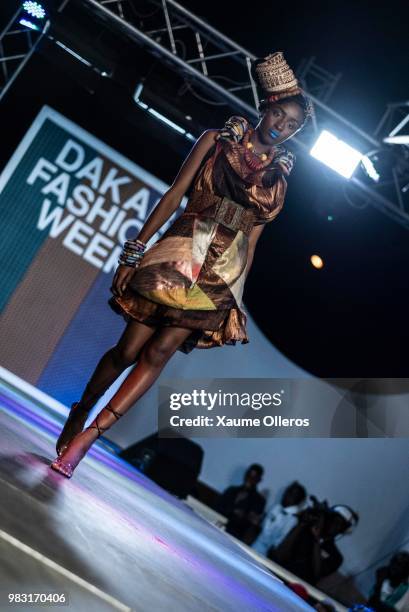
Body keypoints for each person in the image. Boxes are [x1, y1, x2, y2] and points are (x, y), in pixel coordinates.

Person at [50, 51, 314, 478]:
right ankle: (81, 410)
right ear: (266, 106)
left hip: (221, 271)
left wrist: (236, 298)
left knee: (159, 351)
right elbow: (174, 196)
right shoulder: (217, 140)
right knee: (128, 350)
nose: (283, 127)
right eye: (280, 115)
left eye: (293, 125)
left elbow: (252, 243)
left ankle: (87, 440)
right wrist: (135, 249)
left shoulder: (278, 183)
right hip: (182, 248)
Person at [270, 500, 359, 585]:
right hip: (277, 575)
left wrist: (317, 539)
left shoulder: (336, 557)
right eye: (333, 519)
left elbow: (317, 573)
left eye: (339, 524)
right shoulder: (304, 532)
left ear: (342, 530)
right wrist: (301, 525)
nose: (333, 525)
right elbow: (279, 554)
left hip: (297, 589)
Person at [252, 481, 307, 556]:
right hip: (255, 544)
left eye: (290, 493)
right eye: (287, 491)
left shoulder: (293, 520)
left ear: (298, 499)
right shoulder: (276, 507)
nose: (285, 494)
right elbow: (263, 527)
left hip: (267, 555)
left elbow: (279, 543)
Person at [215, 464, 266, 542]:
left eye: (254, 477)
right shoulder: (231, 490)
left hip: (234, 537)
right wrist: (233, 510)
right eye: (248, 475)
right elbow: (217, 507)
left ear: (259, 480)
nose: (249, 479)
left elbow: (251, 523)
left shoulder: (259, 500)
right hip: (217, 526)